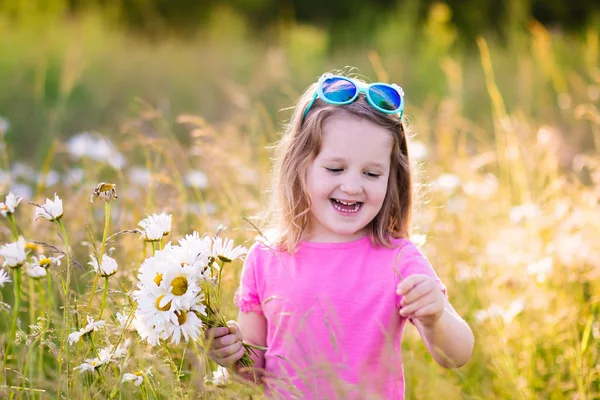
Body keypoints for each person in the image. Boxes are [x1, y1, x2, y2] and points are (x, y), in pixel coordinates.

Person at [206, 72, 474, 399]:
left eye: (372, 173)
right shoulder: (267, 257)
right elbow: (253, 375)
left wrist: (434, 319)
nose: (352, 186)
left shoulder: (399, 258)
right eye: (335, 169)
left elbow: (457, 354)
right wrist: (233, 356)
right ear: (300, 166)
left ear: (392, 179)